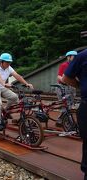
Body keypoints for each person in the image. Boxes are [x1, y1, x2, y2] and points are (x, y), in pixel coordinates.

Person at [0, 53, 33, 132]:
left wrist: (26, 83)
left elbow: (17, 75)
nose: (8, 64)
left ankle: (5, 110)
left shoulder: (9, 68)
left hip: (2, 88)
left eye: (9, 62)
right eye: (7, 62)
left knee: (14, 97)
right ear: (1, 62)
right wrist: (4, 84)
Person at [62, 49, 87, 179]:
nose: (70, 58)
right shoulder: (79, 57)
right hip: (66, 87)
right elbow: (63, 77)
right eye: (69, 56)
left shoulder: (80, 57)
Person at [56, 50, 77, 126]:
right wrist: (66, 81)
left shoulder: (76, 65)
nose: (75, 58)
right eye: (74, 57)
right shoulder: (64, 65)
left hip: (71, 86)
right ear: (69, 57)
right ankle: (68, 122)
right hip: (62, 87)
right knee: (65, 104)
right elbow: (59, 76)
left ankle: (60, 120)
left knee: (70, 104)